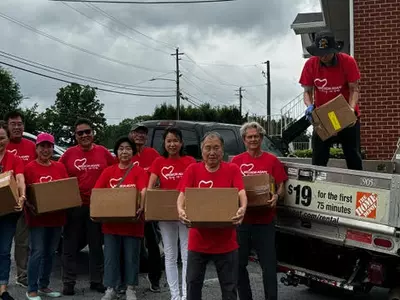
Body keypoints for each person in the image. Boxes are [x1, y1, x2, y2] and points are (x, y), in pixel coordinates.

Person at [177, 132, 247, 300]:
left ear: (222, 150)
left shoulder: (232, 169)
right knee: (193, 285)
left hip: (226, 242)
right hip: (198, 241)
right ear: (202, 151)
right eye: (208, 148)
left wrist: (243, 208)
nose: (212, 152)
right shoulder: (193, 169)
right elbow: (182, 195)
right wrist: (180, 210)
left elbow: (241, 192)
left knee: (229, 289)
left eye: (216, 148)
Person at [231, 122, 288, 300]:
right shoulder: (236, 162)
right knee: (238, 265)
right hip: (242, 222)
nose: (253, 139)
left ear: (261, 138)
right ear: (244, 140)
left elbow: (282, 187)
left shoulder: (272, 160)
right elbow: (229, 188)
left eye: (256, 136)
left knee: (269, 267)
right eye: (250, 137)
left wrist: (277, 197)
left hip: (265, 222)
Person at [59, 118, 115, 295]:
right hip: (75, 206)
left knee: (96, 246)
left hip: (97, 206)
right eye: (80, 133)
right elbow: (57, 174)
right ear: (75, 136)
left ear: (93, 133)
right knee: (70, 245)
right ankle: (68, 283)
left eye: (87, 132)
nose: (84, 135)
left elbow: (116, 172)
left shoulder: (104, 152)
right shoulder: (68, 154)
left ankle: (96, 281)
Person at [299, 30, 363, 170]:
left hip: (345, 114)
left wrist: (351, 110)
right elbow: (307, 92)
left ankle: (358, 185)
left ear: (334, 50)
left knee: (352, 154)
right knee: (319, 156)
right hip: (324, 116)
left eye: (326, 53)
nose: (323, 57)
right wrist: (310, 106)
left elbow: (354, 89)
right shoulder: (311, 64)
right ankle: (318, 185)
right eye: (320, 54)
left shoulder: (347, 62)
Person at [94, 137, 147, 300]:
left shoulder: (139, 171)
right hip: (111, 225)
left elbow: (143, 190)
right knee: (111, 257)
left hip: (133, 223)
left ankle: (130, 288)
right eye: (121, 148)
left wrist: (142, 205)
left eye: (128, 148)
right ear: (116, 152)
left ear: (133, 152)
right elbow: (98, 192)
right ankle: (111, 288)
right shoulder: (108, 171)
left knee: (131, 258)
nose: (124, 151)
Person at [148, 127, 196, 300]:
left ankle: (185, 295)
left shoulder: (190, 161)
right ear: (164, 143)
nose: (172, 144)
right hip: (166, 214)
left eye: (176, 140)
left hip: (185, 213)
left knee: (186, 255)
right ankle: (175, 295)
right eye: (169, 141)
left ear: (181, 142)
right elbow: (150, 187)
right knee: (170, 255)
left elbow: (196, 184)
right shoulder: (159, 162)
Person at [24, 133, 68, 300]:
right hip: (38, 219)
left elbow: (65, 190)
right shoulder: (29, 168)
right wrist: (30, 205)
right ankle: (32, 288)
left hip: (56, 218)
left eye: (49, 146)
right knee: (37, 252)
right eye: (42, 146)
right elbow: (24, 193)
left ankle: (44, 285)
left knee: (50, 253)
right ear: (36, 148)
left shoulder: (59, 167)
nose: (46, 149)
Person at [129, 123, 162, 293]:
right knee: (132, 245)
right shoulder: (126, 153)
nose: (140, 136)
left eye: (143, 133)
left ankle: (154, 277)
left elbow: (160, 176)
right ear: (131, 134)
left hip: (149, 205)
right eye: (136, 132)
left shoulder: (153, 154)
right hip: (130, 205)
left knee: (153, 243)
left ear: (146, 137)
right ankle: (129, 281)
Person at [5, 111, 36, 288]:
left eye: (19, 123)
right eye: (13, 124)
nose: (17, 127)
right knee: (4, 242)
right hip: (4, 201)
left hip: (25, 201)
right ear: (7, 126)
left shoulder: (31, 146)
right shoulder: (3, 144)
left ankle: (22, 275)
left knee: (23, 241)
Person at [0, 121, 26, 300]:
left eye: (2, 138)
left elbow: (20, 178)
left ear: (8, 139)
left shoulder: (14, 159)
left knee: (3, 250)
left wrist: (22, 196)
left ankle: (2, 287)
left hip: (8, 213)